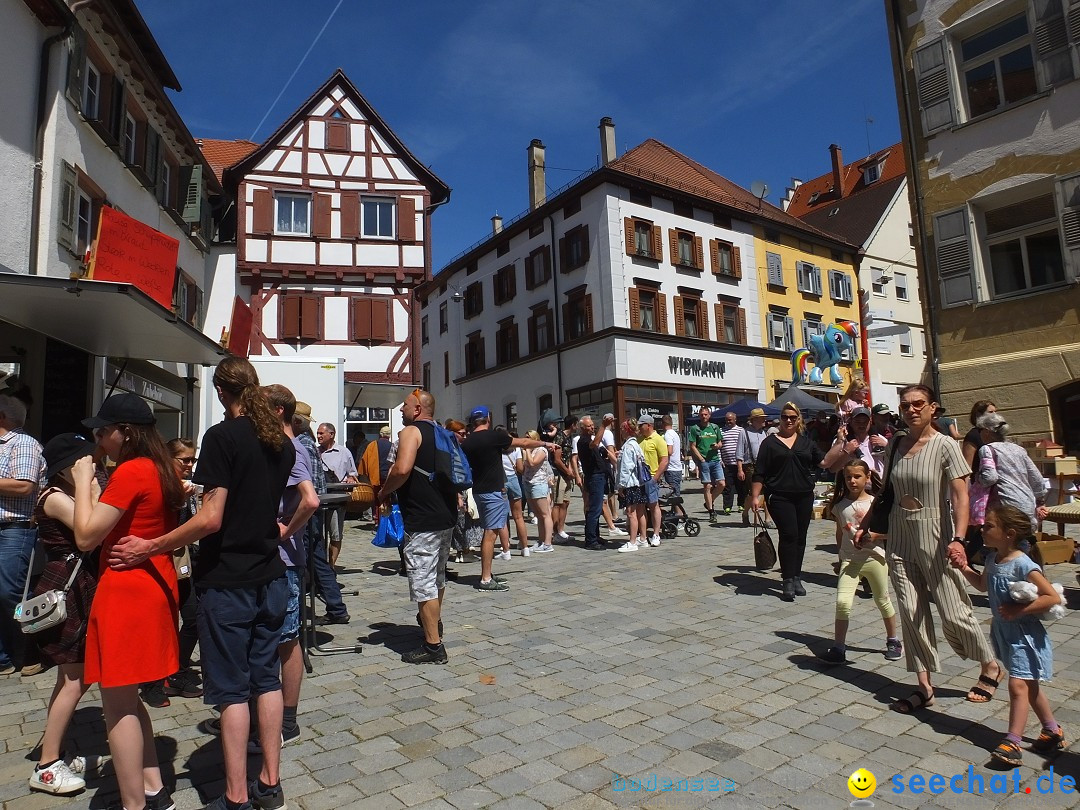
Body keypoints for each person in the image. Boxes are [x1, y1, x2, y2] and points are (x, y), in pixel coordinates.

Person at [108, 357, 297, 810]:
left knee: (232, 691)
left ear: (219, 391)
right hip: (270, 575)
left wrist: (150, 546)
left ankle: (235, 797)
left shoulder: (222, 437)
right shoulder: (281, 441)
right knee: (266, 681)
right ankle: (269, 784)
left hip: (228, 580)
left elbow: (210, 519)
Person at [856, 384, 1000, 715]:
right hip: (899, 535)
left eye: (918, 404)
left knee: (953, 608)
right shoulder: (894, 444)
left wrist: (959, 539)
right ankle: (924, 686)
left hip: (936, 534)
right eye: (905, 405)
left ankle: (989, 665)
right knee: (910, 611)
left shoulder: (946, 446)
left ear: (933, 407)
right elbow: (886, 491)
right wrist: (867, 524)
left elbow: (961, 496)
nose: (911, 410)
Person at [72, 393, 183, 810]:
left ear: (127, 432)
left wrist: (85, 482)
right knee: (129, 697)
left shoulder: (132, 471)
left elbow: (86, 536)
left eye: (104, 431)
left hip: (126, 592)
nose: (99, 439)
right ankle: (153, 789)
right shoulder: (164, 468)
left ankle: (133, 803)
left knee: (116, 707)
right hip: (153, 588)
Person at [952, 505, 1063, 766]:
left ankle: (1012, 741)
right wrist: (964, 567)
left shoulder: (1024, 564)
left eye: (989, 526)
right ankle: (1052, 730)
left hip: (1025, 636)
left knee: (1018, 685)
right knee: (1029, 686)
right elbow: (981, 584)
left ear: (1009, 534)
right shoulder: (992, 559)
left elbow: (1052, 597)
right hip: (1005, 633)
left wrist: (1019, 609)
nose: (982, 530)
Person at [27, 434, 100, 795]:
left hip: (76, 584)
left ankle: (52, 749)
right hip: (69, 589)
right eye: (84, 460)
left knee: (70, 679)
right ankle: (46, 766)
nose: (92, 464)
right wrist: (91, 485)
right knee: (75, 678)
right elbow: (95, 531)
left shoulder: (67, 495)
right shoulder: (55, 498)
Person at [378, 389, 458, 663]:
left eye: (405, 406)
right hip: (445, 516)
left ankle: (433, 647)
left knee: (424, 582)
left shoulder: (411, 432)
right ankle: (433, 624)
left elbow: (401, 469)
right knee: (437, 577)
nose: (401, 409)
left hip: (422, 518)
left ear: (418, 410)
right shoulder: (441, 433)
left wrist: (383, 493)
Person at [264, 385, 320, 749]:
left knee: (286, 639)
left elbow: (310, 500)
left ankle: (286, 720)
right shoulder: (283, 448)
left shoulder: (293, 451)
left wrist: (286, 531)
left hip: (283, 560)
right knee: (281, 638)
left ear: (279, 413)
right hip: (280, 559)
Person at [140, 438, 206, 708]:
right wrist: (181, 500)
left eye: (193, 460)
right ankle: (152, 682)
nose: (190, 465)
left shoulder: (188, 487)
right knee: (161, 623)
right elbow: (162, 526)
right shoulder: (162, 486)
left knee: (193, 619)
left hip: (183, 561)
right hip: (159, 562)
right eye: (184, 460)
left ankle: (175, 672)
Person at [461, 406, 554, 590]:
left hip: (479, 490)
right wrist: (545, 444)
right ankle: (486, 579)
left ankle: (486, 573)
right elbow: (523, 443)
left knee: (489, 531)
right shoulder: (494, 437)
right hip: (493, 491)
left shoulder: (468, 441)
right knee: (490, 533)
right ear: (488, 419)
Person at [819, 460, 901, 665]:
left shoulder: (875, 504)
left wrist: (876, 536)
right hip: (850, 561)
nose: (852, 481)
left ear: (867, 478)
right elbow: (840, 533)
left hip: (874, 558)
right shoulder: (839, 506)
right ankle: (839, 647)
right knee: (842, 602)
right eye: (848, 477)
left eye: (857, 476)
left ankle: (893, 640)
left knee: (882, 600)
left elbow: (893, 532)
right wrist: (839, 557)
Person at [750, 402, 826, 601]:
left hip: (804, 495)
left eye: (793, 417)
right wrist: (756, 497)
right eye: (785, 417)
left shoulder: (806, 442)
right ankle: (787, 578)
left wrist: (844, 448)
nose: (789, 420)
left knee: (801, 537)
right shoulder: (770, 443)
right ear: (780, 419)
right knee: (789, 534)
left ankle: (796, 575)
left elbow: (824, 462)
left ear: (798, 419)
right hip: (779, 496)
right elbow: (760, 473)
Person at [0, 393, 46, 677]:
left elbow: (24, 486)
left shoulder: (23, 443)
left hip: (14, 529)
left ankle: (33, 650)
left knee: (10, 593)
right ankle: (3, 657)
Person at [293, 404, 349, 625]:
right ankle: (336, 607)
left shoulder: (301, 446)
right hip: (313, 511)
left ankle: (332, 608)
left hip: (305, 512)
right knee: (317, 560)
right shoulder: (309, 446)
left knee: (308, 561)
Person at [974, 412, 1048, 532]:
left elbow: (990, 478)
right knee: (1022, 539)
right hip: (1026, 503)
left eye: (980, 430)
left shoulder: (987, 449)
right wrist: (1040, 502)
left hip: (1005, 507)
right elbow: (1036, 477)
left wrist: (978, 477)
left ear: (987, 431)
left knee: (1004, 543)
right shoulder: (1019, 449)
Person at [317, 422, 357, 566]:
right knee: (318, 535)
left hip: (337, 498)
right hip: (319, 499)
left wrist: (351, 479)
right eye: (318, 433)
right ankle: (320, 567)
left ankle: (331, 565)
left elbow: (352, 473)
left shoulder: (343, 452)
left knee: (335, 534)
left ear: (331, 434)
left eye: (322, 433)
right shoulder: (315, 452)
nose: (318, 436)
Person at [577, 415, 613, 550]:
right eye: (589, 426)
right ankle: (590, 540)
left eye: (593, 425)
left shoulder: (590, 439)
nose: (592, 427)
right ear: (582, 428)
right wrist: (603, 426)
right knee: (594, 509)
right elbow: (594, 445)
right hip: (594, 477)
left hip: (600, 476)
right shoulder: (583, 441)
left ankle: (595, 535)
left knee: (597, 508)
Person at [615, 419, 649, 553]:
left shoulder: (629, 446)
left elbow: (626, 468)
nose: (621, 431)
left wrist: (621, 485)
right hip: (639, 483)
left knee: (631, 513)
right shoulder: (636, 445)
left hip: (630, 483)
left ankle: (632, 541)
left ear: (627, 430)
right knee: (640, 511)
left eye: (623, 429)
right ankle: (643, 538)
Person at [636, 415, 669, 546]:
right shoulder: (639, 439)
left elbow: (664, 460)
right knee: (640, 506)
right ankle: (643, 536)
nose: (639, 428)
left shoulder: (658, 440)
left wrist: (656, 478)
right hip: (639, 479)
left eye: (641, 425)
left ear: (648, 425)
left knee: (653, 505)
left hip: (651, 478)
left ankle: (656, 534)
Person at [522, 430, 554, 553]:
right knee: (538, 515)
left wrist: (528, 451)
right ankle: (541, 541)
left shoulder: (541, 450)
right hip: (528, 483)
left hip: (539, 483)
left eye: (528, 437)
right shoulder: (528, 451)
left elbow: (532, 462)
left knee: (545, 514)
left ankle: (548, 543)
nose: (526, 439)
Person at [688, 407, 723, 520]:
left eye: (706, 414)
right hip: (704, 461)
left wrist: (717, 446)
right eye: (702, 414)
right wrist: (701, 459)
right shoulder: (695, 429)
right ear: (699, 415)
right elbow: (692, 446)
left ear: (709, 415)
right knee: (707, 486)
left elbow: (720, 442)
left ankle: (709, 501)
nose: (704, 416)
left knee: (722, 484)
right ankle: (711, 511)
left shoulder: (715, 427)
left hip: (715, 459)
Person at [736, 409, 769, 527]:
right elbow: (739, 453)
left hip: (765, 465)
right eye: (761, 418)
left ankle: (767, 519)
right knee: (752, 493)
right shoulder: (744, 433)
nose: (764, 420)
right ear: (754, 420)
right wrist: (740, 469)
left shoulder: (764, 433)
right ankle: (745, 513)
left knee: (767, 492)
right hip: (750, 466)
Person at [551, 416, 578, 543]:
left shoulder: (569, 438)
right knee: (558, 503)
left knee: (565, 502)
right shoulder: (560, 436)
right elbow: (556, 459)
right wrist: (567, 471)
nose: (577, 427)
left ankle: (561, 530)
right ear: (572, 425)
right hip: (559, 474)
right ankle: (555, 532)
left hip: (566, 475)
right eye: (576, 424)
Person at [502, 443, 529, 557]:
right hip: (513, 480)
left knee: (503, 517)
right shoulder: (516, 448)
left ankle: (506, 549)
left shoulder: (496, 448)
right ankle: (525, 547)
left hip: (501, 480)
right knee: (518, 516)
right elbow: (520, 468)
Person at [719, 412, 745, 516]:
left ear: (735, 419)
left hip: (739, 464)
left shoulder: (741, 430)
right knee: (728, 487)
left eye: (730, 420)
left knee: (741, 486)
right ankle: (727, 506)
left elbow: (744, 445)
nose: (728, 422)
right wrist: (721, 460)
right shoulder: (721, 431)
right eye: (727, 420)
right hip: (727, 464)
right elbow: (719, 447)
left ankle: (741, 504)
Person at [962, 399, 997, 473]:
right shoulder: (973, 435)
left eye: (995, 412)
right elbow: (967, 465)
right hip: (980, 481)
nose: (995, 415)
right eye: (990, 412)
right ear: (979, 415)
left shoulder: (995, 434)